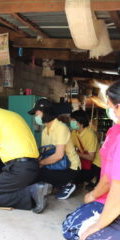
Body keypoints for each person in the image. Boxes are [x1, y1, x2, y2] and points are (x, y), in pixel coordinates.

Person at [0, 97, 52, 214]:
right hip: (32, 166)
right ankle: (34, 189)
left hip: (19, 168)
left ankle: (32, 192)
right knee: (2, 188)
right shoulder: (11, 114)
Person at [62, 81, 120, 240]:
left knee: (76, 229)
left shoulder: (90, 135)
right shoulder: (113, 130)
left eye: (110, 105)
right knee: (71, 224)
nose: (110, 110)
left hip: (93, 169)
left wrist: (94, 197)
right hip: (105, 187)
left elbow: (112, 182)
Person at [29, 98, 81, 200]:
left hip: (70, 167)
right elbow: (45, 152)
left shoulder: (61, 128)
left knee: (38, 172)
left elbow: (58, 155)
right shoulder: (45, 131)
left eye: (37, 113)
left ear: (46, 113)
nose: (36, 116)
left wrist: (41, 163)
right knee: (33, 169)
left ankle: (67, 183)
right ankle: (56, 183)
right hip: (58, 164)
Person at [70, 110, 101, 190]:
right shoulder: (74, 133)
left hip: (95, 165)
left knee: (75, 179)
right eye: (71, 120)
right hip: (84, 162)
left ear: (81, 122)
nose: (71, 122)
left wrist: (76, 153)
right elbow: (70, 147)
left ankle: (91, 180)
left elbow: (91, 157)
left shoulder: (90, 135)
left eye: (73, 120)